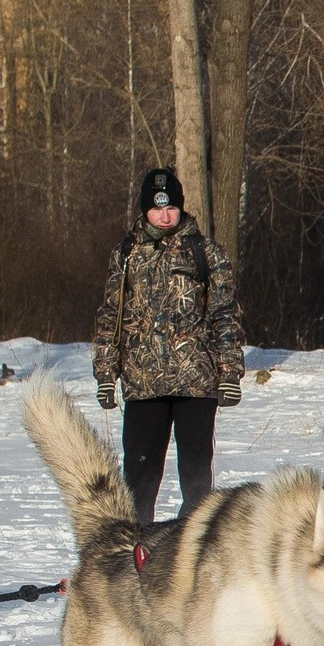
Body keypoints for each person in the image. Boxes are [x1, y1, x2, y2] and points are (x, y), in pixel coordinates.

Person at [94, 167, 243, 519]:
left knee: (196, 480)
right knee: (139, 480)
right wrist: (105, 373)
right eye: (157, 208)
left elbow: (225, 315)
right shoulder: (126, 255)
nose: (165, 216)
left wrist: (230, 373)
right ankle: (135, 551)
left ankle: (189, 554)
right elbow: (111, 317)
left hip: (196, 383)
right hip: (143, 385)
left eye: (171, 208)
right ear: (145, 209)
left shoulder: (206, 252)